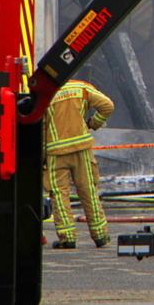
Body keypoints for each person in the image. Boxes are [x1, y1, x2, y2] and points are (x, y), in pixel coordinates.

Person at [44, 77, 115, 249]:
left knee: (60, 195)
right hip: (82, 148)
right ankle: (100, 235)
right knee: (88, 190)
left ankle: (67, 238)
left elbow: (41, 124)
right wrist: (92, 124)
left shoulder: (45, 94)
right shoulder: (81, 87)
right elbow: (108, 106)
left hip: (55, 151)